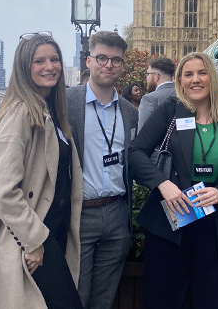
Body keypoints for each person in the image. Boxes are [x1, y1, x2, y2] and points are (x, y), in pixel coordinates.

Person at [0, 32, 84, 309]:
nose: (49, 67)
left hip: (51, 232)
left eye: (54, 59)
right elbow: (2, 189)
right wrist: (33, 240)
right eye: (38, 61)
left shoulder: (50, 110)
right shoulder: (19, 114)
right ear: (24, 68)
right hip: (32, 238)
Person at [128, 52, 218, 309]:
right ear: (180, 79)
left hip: (213, 226)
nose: (195, 79)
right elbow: (135, 152)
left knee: (211, 300)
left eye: (202, 73)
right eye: (188, 74)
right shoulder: (170, 111)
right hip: (170, 222)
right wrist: (163, 183)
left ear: (212, 77)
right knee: (166, 300)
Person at [66, 31, 139, 309]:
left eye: (116, 60)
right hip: (79, 214)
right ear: (88, 61)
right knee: (76, 296)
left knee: (104, 299)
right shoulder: (67, 102)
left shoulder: (130, 112)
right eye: (101, 58)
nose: (108, 65)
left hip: (117, 213)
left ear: (122, 64)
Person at [137, 56, 176, 132]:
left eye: (148, 74)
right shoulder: (185, 94)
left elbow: (143, 134)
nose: (147, 78)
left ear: (156, 76)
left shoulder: (149, 99)